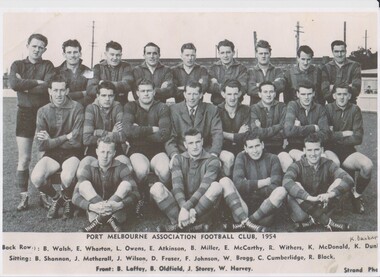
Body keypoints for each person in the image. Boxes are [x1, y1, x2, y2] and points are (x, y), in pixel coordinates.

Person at [152, 128, 259, 232]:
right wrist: (184, 208)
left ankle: (182, 225)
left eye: (197, 142)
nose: (195, 146)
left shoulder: (212, 160)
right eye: (191, 143)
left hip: (203, 206)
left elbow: (204, 187)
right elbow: (177, 187)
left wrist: (187, 209)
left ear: (202, 141)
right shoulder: (178, 159)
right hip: (182, 208)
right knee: (156, 188)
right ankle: (185, 224)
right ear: (185, 144)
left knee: (216, 186)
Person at [9, 33, 55, 211]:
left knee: (43, 156)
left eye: (41, 47)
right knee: (24, 158)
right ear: (27, 45)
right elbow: (14, 84)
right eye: (34, 46)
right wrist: (37, 81)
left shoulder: (48, 65)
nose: (37, 49)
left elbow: (48, 86)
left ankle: (44, 195)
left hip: (44, 114)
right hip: (25, 115)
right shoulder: (17, 64)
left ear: (45, 49)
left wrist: (26, 85)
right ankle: (24, 197)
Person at [30, 74, 84, 219]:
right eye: (55, 90)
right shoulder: (42, 111)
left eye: (62, 90)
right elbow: (41, 144)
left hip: (73, 153)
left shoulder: (77, 108)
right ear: (49, 91)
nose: (59, 94)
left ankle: (68, 200)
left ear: (67, 91)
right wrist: (66, 137)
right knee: (36, 178)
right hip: (52, 153)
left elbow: (77, 142)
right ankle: (57, 198)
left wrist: (51, 140)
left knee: (67, 177)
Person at [283, 134, 354, 231]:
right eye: (309, 150)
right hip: (304, 202)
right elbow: (286, 181)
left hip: (320, 202)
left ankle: (313, 220)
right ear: (304, 150)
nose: (313, 154)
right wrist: (309, 197)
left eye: (316, 149)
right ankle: (326, 221)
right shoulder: (297, 165)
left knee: (339, 180)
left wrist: (329, 194)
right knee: (295, 189)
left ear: (322, 150)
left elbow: (348, 179)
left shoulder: (328, 163)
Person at [220, 133, 287, 231]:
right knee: (224, 181)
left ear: (262, 145)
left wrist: (248, 186)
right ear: (245, 148)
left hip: (265, 210)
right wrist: (264, 182)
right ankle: (248, 222)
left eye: (257, 146)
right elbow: (238, 184)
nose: (255, 151)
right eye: (251, 147)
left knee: (281, 190)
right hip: (243, 209)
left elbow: (274, 187)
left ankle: (246, 223)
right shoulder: (241, 157)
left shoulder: (273, 158)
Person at [73, 136, 140, 232]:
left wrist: (120, 205)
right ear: (96, 152)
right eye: (102, 152)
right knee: (83, 185)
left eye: (109, 152)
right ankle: (111, 222)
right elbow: (74, 196)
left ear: (114, 153)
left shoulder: (122, 167)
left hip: (117, 210)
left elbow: (136, 194)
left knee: (126, 185)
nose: (105, 156)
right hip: (95, 210)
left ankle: (97, 222)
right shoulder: (88, 168)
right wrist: (91, 207)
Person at [325, 84, 373, 214]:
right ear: (334, 95)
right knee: (334, 164)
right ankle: (330, 198)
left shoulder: (355, 109)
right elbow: (326, 136)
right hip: (329, 149)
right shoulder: (327, 109)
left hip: (347, 150)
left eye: (345, 94)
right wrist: (344, 133)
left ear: (350, 96)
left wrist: (335, 135)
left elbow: (358, 138)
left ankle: (356, 194)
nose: (342, 97)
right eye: (339, 94)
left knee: (367, 165)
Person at [123, 79, 171, 197]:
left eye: (149, 90)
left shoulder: (162, 107)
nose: (146, 93)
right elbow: (128, 131)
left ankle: (160, 197)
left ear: (154, 92)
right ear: (137, 93)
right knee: (141, 170)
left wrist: (138, 132)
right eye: (142, 91)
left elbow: (164, 134)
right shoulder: (130, 106)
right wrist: (152, 129)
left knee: (165, 171)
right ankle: (141, 196)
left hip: (158, 149)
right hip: (137, 149)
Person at [78, 81, 131, 178]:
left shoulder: (118, 107)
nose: (107, 99)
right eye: (103, 95)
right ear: (97, 96)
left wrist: (97, 132)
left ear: (114, 96)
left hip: (115, 148)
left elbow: (123, 136)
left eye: (110, 96)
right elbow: (87, 139)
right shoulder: (91, 108)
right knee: (81, 171)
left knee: (128, 169)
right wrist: (112, 133)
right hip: (94, 148)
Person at [165, 80, 223, 168]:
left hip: (205, 151)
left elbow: (217, 134)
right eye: (189, 94)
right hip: (182, 151)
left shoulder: (211, 109)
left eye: (195, 94)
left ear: (200, 95)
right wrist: (174, 154)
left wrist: (214, 153)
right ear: (184, 94)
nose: (191, 98)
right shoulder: (173, 110)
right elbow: (169, 137)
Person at [283, 82, 338, 166]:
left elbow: (325, 133)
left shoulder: (320, 108)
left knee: (334, 163)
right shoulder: (292, 106)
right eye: (303, 94)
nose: (306, 97)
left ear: (313, 94)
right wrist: (313, 127)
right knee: (302, 159)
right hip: (296, 146)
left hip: (316, 146)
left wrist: (299, 130)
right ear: (298, 94)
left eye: (309, 94)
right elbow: (288, 130)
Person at [250, 81, 292, 172]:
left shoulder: (282, 107)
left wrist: (263, 131)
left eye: (271, 92)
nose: (268, 95)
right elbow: (256, 132)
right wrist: (279, 126)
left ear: (275, 94)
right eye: (265, 92)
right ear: (259, 94)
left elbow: (285, 131)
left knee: (287, 161)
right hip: (260, 148)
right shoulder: (253, 108)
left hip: (279, 147)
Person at [217, 79, 250, 177]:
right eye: (229, 94)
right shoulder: (216, 110)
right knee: (229, 158)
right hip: (222, 147)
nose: (232, 98)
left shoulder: (246, 110)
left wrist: (224, 134)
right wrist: (238, 134)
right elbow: (216, 133)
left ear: (239, 93)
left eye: (235, 94)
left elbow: (246, 135)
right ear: (223, 94)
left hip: (241, 147)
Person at [87, 41, 134, 106]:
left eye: (118, 55)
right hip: (102, 105)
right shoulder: (97, 67)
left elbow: (127, 85)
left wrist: (103, 84)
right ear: (106, 54)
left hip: (121, 104)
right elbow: (90, 89)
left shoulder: (126, 66)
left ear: (121, 55)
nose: (115, 58)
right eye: (112, 54)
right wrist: (119, 87)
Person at [208, 39, 247, 105]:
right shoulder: (213, 68)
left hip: (236, 105)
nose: (225, 56)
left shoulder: (241, 68)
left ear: (233, 53)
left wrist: (218, 85)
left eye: (228, 52)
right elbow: (209, 88)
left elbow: (243, 88)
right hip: (217, 105)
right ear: (219, 54)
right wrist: (233, 87)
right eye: (222, 53)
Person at [55, 39, 93, 107]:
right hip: (62, 108)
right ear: (64, 54)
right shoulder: (56, 72)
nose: (72, 55)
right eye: (69, 52)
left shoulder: (88, 71)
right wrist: (82, 93)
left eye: (75, 52)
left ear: (80, 54)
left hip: (82, 108)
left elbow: (90, 94)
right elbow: (57, 95)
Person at [247, 40, 285, 105]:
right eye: (261, 53)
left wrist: (258, 85)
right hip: (255, 111)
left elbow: (281, 86)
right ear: (256, 54)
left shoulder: (277, 71)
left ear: (270, 54)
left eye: (266, 53)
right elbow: (250, 90)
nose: (263, 56)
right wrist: (271, 88)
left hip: (274, 109)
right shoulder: (251, 72)